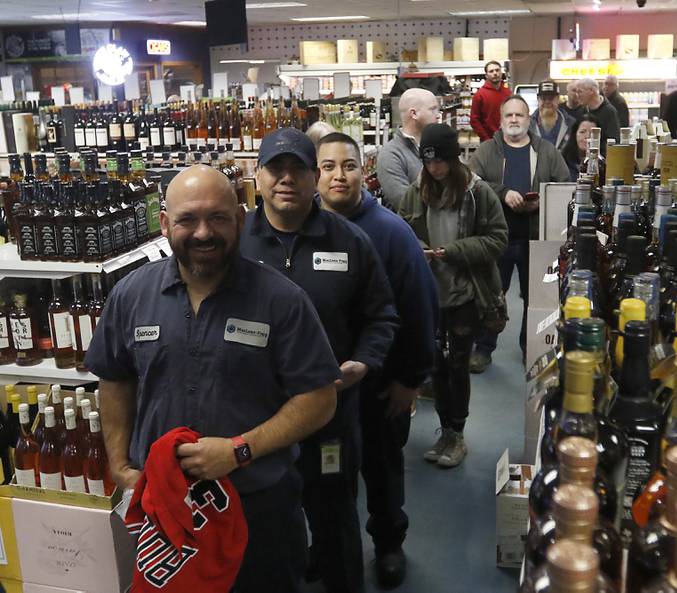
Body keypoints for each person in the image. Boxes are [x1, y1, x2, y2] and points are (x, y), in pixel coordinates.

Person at [84, 165, 341, 593]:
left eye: (218, 218)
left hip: (258, 507)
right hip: (163, 509)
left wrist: (239, 450)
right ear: (165, 224)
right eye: (188, 219)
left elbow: (319, 398)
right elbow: (114, 379)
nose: (203, 232)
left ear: (240, 219)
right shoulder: (130, 295)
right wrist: (119, 463)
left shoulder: (281, 300)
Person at [241, 127, 399, 593]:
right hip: (257, 417)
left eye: (298, 169)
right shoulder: (236, 245)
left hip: (330, 415)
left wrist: (366, 362)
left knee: (334, 518)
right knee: (264, 522)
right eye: (276, 169)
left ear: (314, 177)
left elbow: (382, 314)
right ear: (258, 176)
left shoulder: (349, 241)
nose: (286, 179)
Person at [316, 132, 438, 588]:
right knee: (328, 474)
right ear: (315, 174)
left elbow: (420, 308)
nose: (338, 175)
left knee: (382, 467)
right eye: (328, 167)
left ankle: (389, 542)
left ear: (362, 170)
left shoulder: (391, 231)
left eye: (347, 165)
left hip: (382, 384)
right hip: (323, 392)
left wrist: (411, 380)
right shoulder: (304, 232)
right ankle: (329, 543)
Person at [399, 123, 508, 467]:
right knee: (435, 365)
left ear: (454, 157)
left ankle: (456, 434)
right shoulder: (416, 191)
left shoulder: (478, 193)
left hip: (465, 294)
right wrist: (420, 250)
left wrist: (454, 251)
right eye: (428, 162)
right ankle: (445, 431)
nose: (434, 168)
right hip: (430, 295)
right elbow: (401, 232)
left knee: (457, 365)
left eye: (440, 161)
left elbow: (498, 239)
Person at [468, 95, 570, 372]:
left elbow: (564, 186)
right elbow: (472, 183)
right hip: (496, 238)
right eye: (509, 116)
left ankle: (531, 347)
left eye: (520, 115)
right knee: (491, 294)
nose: (514, 120)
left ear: (529, 119)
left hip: (535, 238)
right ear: (501, 121)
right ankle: (483, 347)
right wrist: (502, 193)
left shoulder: (547, 151)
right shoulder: (487, 151)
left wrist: (543, 200)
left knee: (534, 296)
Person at [377, 88, 440, 211]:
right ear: (414, 114)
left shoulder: (440, 145)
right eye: (432, 109)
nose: (438, 115)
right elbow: (405, 204)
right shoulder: (391, 155)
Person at [469, 60, 512, 143]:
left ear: (501, 72)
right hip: (489, 140)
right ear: (486, 75)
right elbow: (474, 121)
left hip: (509, 139)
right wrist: (487, 139)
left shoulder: (508, 93)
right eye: (491, 71)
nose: (495, 73)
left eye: (497, 70)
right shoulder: (479, 95)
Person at [575, 77, 620, 153]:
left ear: (591, 91)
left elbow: (614, 140)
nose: (577, 95)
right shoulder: (582, 111)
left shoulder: (609, 112)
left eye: (580, 92)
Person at [530, 80, 574, 151]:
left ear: (557, 99)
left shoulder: (571, 124)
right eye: (543, 98)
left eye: (551, 98)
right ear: (538, 100)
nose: (547, 102)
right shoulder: (527, 124)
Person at [561, 115, 602, 182]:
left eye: (592, 133)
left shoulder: (602, 163)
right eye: (582, 132)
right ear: (575, 134)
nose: (588, 136)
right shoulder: (563, 161)